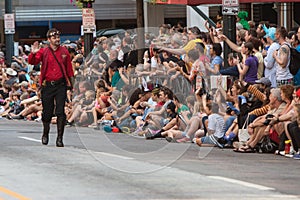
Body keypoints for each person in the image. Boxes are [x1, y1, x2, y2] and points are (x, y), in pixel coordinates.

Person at [28, 28, 74, 147]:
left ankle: (60, 138)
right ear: (49, 40)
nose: (57, 39)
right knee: (47, 112)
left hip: (61, 85)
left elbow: (69, 69)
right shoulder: (44, 51)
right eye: (54, 38)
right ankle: (45, 133)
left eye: (58, 37)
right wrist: (33, 53)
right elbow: (33, 62)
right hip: (47, 85)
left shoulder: (64, 51)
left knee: (60, 111)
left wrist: (72, 85)